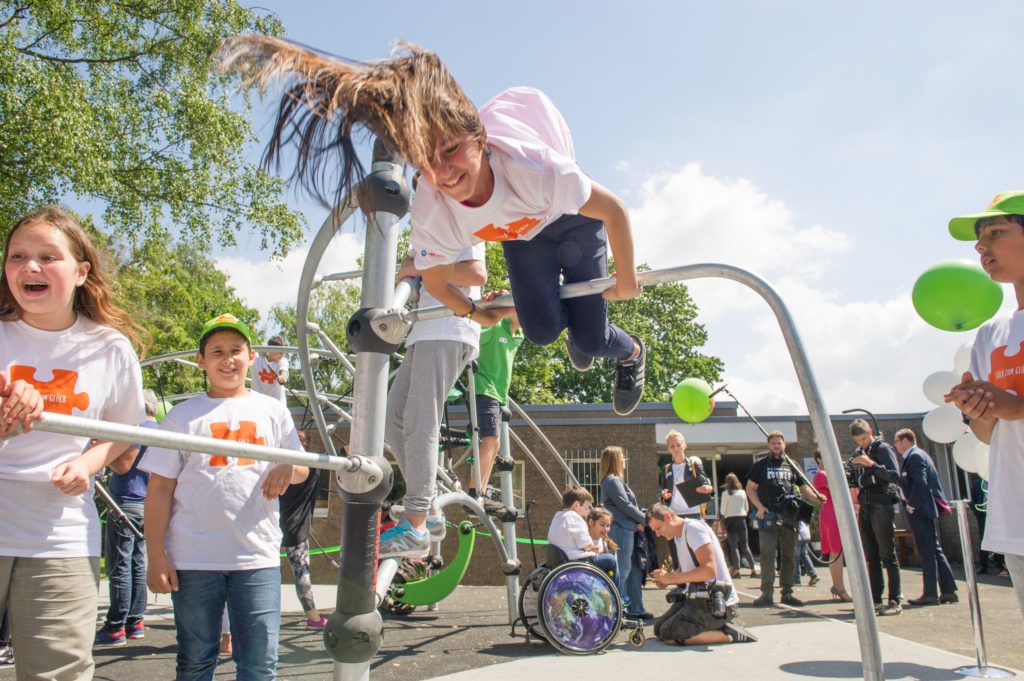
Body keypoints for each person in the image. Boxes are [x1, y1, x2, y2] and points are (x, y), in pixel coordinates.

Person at [216, 37, 647, 417]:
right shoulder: (433, 202)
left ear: (481, 140)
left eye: (454, 150)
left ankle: (630, 352)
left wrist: (625, 280)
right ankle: (572, 325)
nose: (446, 171)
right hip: (521, 235)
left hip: (572, 221)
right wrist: (475, 313)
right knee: (540, 330)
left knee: (591, 339)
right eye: (428, 159)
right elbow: (438, 284)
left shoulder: (530, 166)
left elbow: (614, 211)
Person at [0, 205, 146, 680]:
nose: (30, 267)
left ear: (82, 271)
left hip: (60, 537)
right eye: (17, 256)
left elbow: (125, 435)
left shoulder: (110, 347)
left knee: (57, 673)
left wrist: (88, 464)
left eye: (47, 256)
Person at [141, 313, 308, 680]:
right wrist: (156, 555)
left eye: (236, 350)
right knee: (196, 660)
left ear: (251, 357)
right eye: (217, 351)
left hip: (257, 557)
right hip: (193, 559)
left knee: (260, 663)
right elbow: (159, 489)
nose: (227, 358)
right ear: (201, 360)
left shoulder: (273, 411)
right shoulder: (182, 417)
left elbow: (301, 469)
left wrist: (286, 464)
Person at [945, 192, 1024, 620]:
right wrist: (979, 410)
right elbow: (988, 434)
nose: (982, 248)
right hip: (1016, 517)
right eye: (978, 242)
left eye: (996, 233)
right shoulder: (990, 333)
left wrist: (1015, 405)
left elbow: (1014, 410)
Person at [379, 244, 485, 559]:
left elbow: (476, 274)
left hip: (447, 327)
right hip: (424, 329)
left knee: (419, 421)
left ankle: (415, 524)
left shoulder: (459, 216)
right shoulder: (425, 228)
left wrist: (418, 268)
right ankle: (431, 509)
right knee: (393, 418)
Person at [94, 388, 161, 647]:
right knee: (137, 563)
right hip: (149, 503)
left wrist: (100, 454)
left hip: (126, 501)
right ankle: (135, 621)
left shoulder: (135, 428)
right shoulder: (162, 431)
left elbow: (123, 464)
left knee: (120, 564)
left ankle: (116, 626)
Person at [646, 504, 757, 645]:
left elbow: (709, 570)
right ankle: (717, 628)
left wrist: (671, 578)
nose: (657, 534)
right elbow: (685, 570)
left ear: (668, 517)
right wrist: (665, 579)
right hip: (698, 598)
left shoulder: (693, 529)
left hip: (716, 600)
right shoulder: (679, 535)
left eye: (658, 528)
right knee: (659, 629)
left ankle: (730, 634)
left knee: (669, 634)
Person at [745, 431, 815, 608]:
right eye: (774, 443)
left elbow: (804, 486)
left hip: (789, 516)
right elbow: (750, 489)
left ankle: (787, 592)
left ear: (784, 444)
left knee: (789, 555)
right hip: (768, 516)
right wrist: (759, 507)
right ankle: (766, 593)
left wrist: (817, 497)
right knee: (768, 555)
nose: (777, 446)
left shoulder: (792, 464)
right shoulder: (760, 465)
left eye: (780, 443)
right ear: (769, 445)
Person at [893, 428, 958, 606]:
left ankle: (930, 593)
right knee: (934, 549)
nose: (895, 445)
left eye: (897, 441)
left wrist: (912, 505)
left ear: (906, 440)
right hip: (923, 509)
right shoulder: (916, 456)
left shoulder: (915, 456)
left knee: (927, 551)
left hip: (921, 510)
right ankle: (949, 590)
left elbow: (920, 482)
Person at [469, 293, 523, 506]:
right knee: (490, 440)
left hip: (499, 395)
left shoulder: (517, 335)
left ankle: (481, 492)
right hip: (484, 389)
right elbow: (472, 335)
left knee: (496, 442)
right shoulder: (493, 327)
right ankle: (474, 492)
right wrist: (492, 309)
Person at [849, 418, 903, 616]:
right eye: (858, 441)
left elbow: (895, 476)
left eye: (864, 439)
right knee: (871, 555)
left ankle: (895, 599)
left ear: (870, 431)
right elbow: (858, 479)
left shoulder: (883, 449)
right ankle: (875, 599)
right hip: (865, 504)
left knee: (887, 553)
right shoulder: (859, 452)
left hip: (882, 503)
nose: (862, 443)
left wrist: (870, 464)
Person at [280, 430, 328, 629]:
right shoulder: (312, 467)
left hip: (271, 526)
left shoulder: (274, 466)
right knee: (302, 575)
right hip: (296, 530)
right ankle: (313, 617)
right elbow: (342, 454)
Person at [599, 446, 651, 619]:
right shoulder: (612, 481)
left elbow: (627, 507)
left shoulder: (614, 480)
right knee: (623, 569)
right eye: (622, 457)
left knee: (633, 570)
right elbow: (625, 505)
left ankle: (635, 608)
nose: (624, 460)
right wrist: (645, 520)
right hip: (621, 530)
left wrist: (639, 520)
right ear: (615, 460)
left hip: (626, 529)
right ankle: (616, 611)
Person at [660, 430, 712, 569]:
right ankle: (681, 585)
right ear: (668, 449)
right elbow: (664, 491)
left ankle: (698, 583)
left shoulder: (694, 465)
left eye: (678, 445)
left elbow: (706, 484)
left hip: (693, 512)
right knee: (676, 551)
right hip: (674, 514)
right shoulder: (666, 469)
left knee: (694, 549)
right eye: (672, 446)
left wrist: (707, 488)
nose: (676, 448)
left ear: (685, 445)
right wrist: (664, 495)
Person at [546, 485, 617, 576]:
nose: (587, 512)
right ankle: (613, 589)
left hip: (558, 560)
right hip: (574, 560)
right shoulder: (574, 517)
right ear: (576, 505)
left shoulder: (557, 517)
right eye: (586, 508)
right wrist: (593, 548)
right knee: (610, 560)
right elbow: (586, 544)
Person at [812, 450, 852, 602]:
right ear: (818, 459)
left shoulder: (826, 473)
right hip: (832, 512)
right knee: (836, 551)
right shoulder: (822, 474)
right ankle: (840, 587)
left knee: (836, 552)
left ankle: (838, 586)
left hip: (833, 511)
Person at [720, 473, 757, 578]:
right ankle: (753, 569)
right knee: (745, 545)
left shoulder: (725, 494)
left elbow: (722, 511)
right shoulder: (742, 492)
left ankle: (737, 570)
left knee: (733, 546)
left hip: (730, 521)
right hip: (741, 519)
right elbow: (747, 508)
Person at [251, 335, 288, 405]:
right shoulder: (256, 359)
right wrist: (261, 351)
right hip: (257, 404)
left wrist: (283, 377)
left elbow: (284, 372)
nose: (282, 354)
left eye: (284, 352)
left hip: (277, 404)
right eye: (280, 352)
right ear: (270, 350)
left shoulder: (282, 361)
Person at [793, 519, 819, 586]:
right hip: (806, 534)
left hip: (798, 534)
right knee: (804, 555)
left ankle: (796, 579)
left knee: (796, 557)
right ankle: (813, 575)